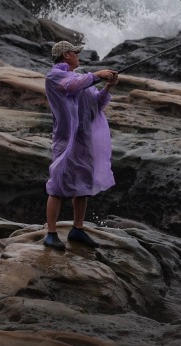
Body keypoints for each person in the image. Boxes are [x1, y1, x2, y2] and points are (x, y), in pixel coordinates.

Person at [42, 40, 118, 249]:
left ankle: (77, 229)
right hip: (65, 139)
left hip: (84, 140)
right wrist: (97, 74)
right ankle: (51, 233)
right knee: (57, 185)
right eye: (75, 53)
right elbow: (71, 86)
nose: (78, 56)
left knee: (83, 184)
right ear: (66, 55)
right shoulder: (55, 76)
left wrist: (108, 85)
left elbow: (97, 104)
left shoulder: (80, 78)